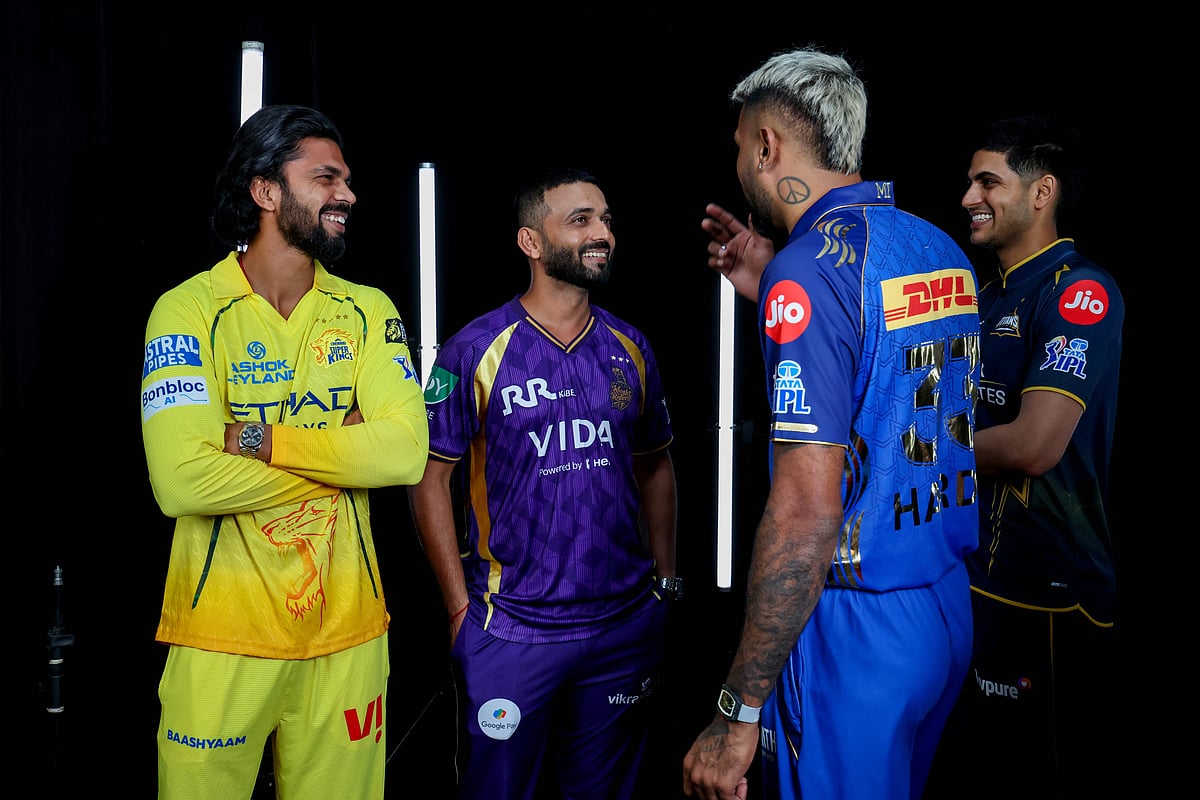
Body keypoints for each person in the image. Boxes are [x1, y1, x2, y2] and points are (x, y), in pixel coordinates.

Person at [681, 47, 982, 800]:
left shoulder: (810, 272)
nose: (742, 162)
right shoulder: (934, 243)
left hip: (856, 624)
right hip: (944, 604)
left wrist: (737, 709)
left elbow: (806, 516)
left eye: (742, 143)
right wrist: (782, 286)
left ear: (767, 145)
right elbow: (884, 380)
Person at [139, 104, 429, 799]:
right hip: (219, 636)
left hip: (350, 634)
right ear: (265, 191)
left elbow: (405, 456)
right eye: (325, 178)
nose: (348, 194)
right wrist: (342, 457)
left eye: (348, 179)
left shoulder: (369, 309)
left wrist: (257, 440)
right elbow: (181, 482)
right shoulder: (185, 311)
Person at [407, 167, 679, 799]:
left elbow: (657, 464)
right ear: (531, 242)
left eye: (606, 219)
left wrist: (665, 582)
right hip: (512, 630)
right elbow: (428, 480)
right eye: (580, 220)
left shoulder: (630, 346)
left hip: (622, 627)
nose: (602, 234)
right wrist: (456, 609)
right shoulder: (470, 349)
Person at [925, 115, 1123, 799]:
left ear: (1042, 193)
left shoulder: (1078, 291)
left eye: (989, 181)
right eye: (969, 181)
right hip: (968, 580)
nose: (968, 197)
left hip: (1049, 598)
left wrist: (919, 454)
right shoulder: (982, 297)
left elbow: (1035, 445)